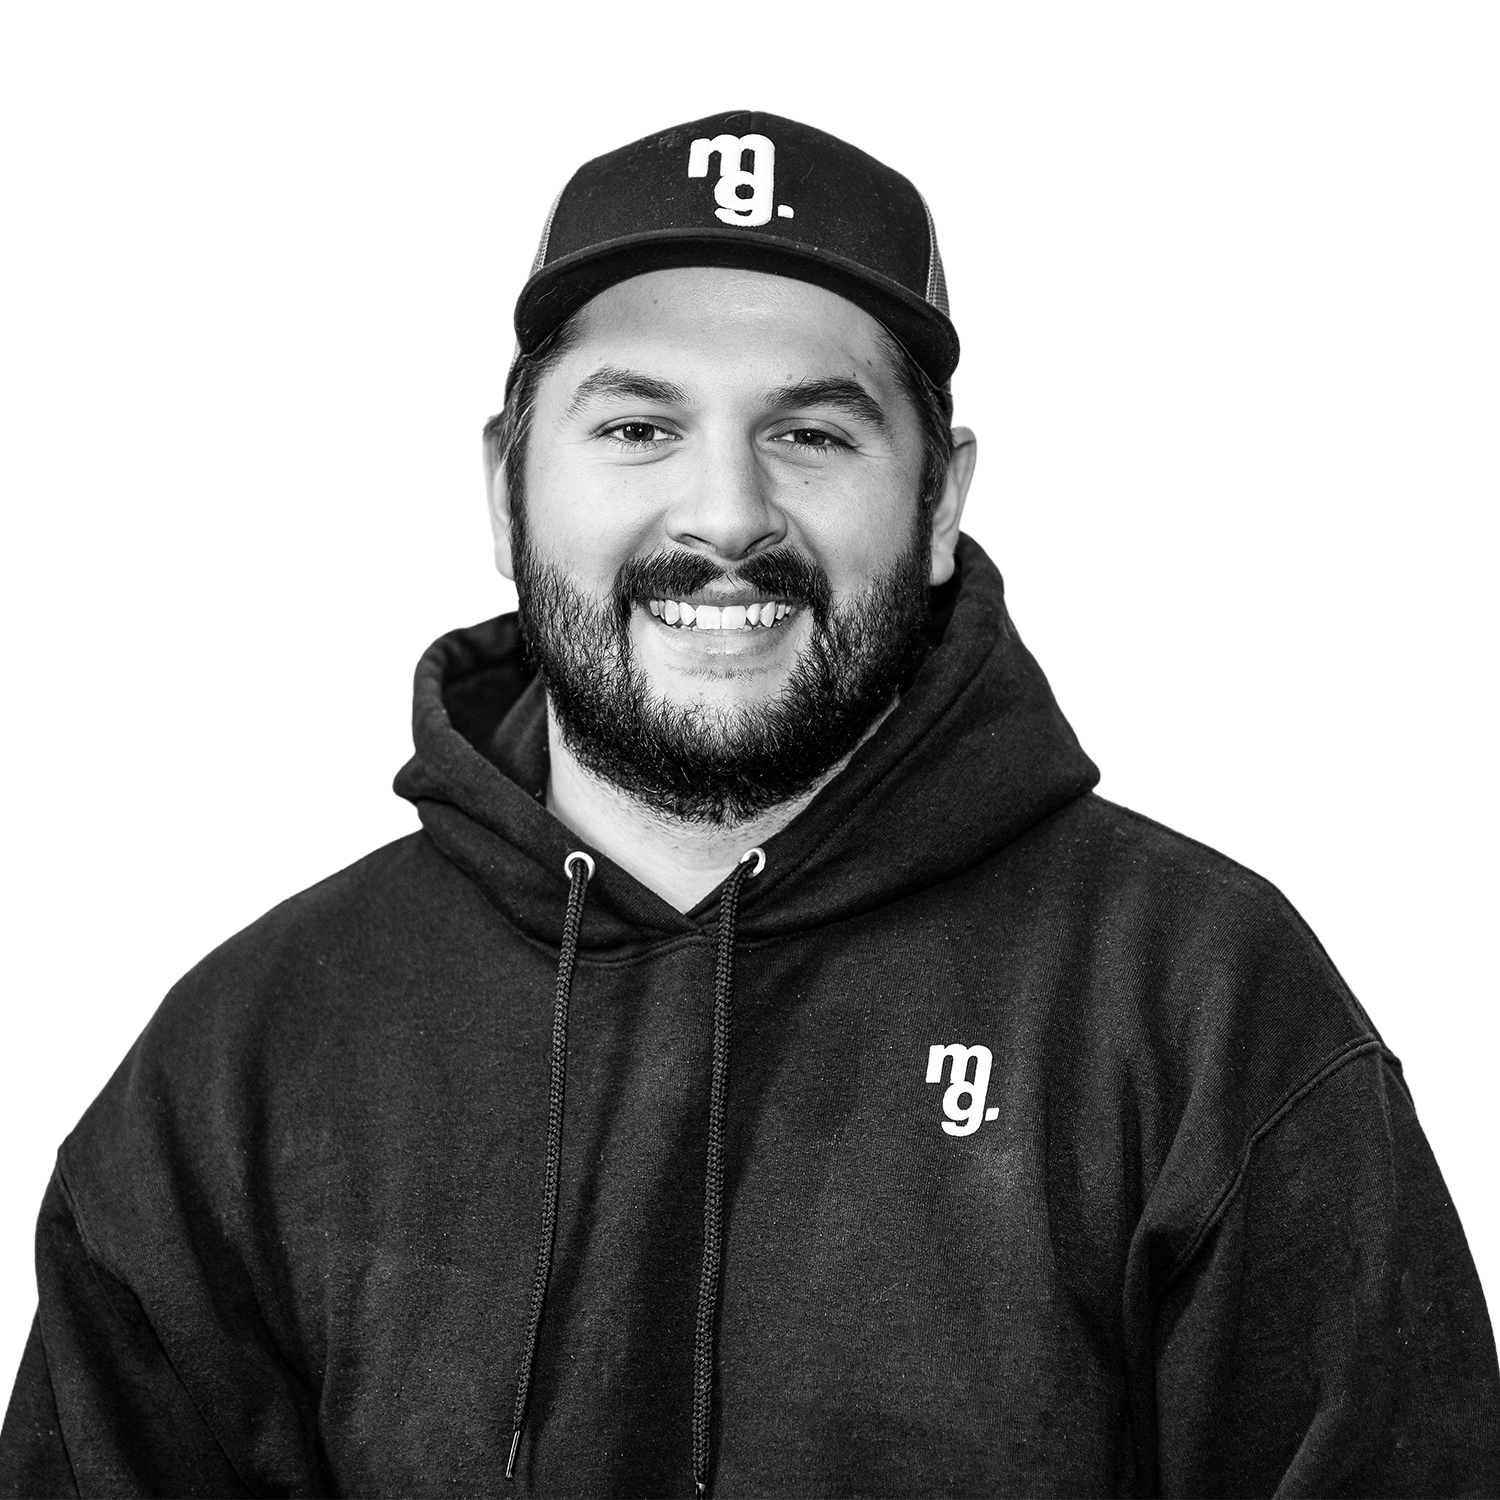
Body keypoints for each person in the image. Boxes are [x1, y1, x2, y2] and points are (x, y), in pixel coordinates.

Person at [3, 108, 1496, 1499]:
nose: (727, 515)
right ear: (499, 494)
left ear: (941, 502)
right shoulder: (243, 1063)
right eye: (637, 428)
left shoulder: (1203, 1007)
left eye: (813, 433)